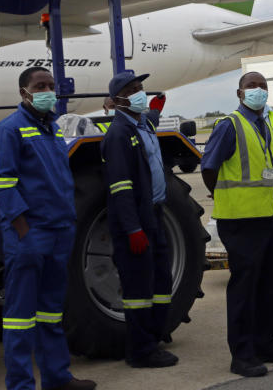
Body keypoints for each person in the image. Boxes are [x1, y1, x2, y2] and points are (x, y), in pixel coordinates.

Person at [200, 71, 273, 377]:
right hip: (240, 221)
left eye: (263, 86)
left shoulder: (267, 125)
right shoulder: (230, 125)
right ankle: (242, 355)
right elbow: (209, 168)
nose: (258, 90)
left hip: (268, 217)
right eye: (252, 86)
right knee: (244, 289)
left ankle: (267, 343)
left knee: (269, 284)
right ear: (240, 93)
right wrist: (222, 195)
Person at [0, 66, 96, 390]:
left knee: (51, 313)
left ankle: (57, 378)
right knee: (20, 318)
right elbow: (4, 184)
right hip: (31, 235)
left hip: (59, 232)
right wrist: (23, 230)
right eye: (41, 85)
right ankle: (21, 385)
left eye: (51, 85)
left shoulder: (52, 128)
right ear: (24, 92)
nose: (48, 90)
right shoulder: (11, 129)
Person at [101, 71, 178, 367]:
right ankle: (141, 351)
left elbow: (150, 122)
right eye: (133, 89)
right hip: (136, 222)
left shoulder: (142, 124)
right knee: (138, 289)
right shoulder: (119, 134)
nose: (140, 93)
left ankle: (155, 336)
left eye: (141, 88)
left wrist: (157, 110)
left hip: (154, 214)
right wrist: (133, 228)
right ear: (118, 98)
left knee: (160, 280)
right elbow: (120, 187)